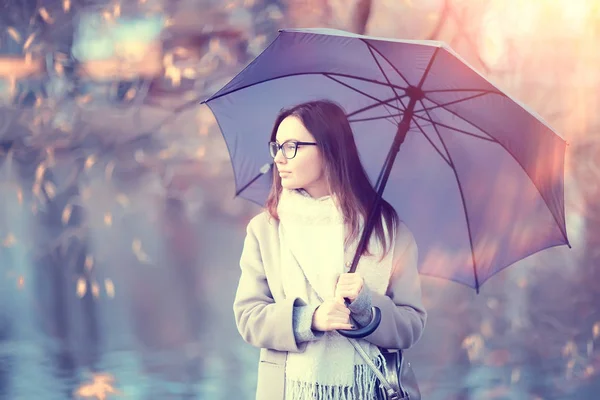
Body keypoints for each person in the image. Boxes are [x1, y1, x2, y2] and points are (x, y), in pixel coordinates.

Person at [233, 100, 427, 400]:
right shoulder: (266, 230)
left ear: (329, 149)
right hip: (289, 391)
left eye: (292, 146)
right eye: (277, 147)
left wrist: (366, 307)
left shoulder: (387, 231)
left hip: (369, 390)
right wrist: (309, 319)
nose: (280, 159)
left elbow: (411, 325)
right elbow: (249, 317)